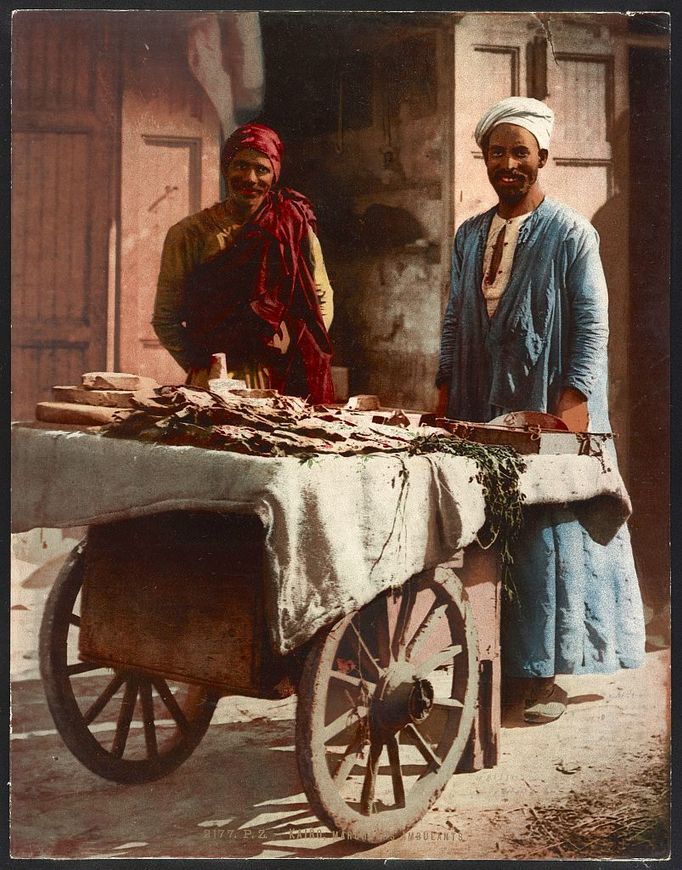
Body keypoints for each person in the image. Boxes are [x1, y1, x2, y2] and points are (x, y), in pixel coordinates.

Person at [436, 97, 646, 723]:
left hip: (548, 399)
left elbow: (589, 322)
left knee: (548, 533)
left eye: (519, 153)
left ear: (542, 159)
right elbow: (454, 318)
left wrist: (574, 401)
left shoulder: (573, 232)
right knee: (489, 528)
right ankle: (494, 666)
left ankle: (545, 675)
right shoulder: (470, 234)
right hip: (481, 396)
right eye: (497, 153)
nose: (507, 165)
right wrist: (446, 389)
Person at [153, 122, 335, 404]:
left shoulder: (293, 226)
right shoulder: (189, 234)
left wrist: (299, 350)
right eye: (240, 166)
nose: (250, 178)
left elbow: (321, 298)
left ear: (274, 175)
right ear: (226, 168)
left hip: (281, 383)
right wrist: (201, 365)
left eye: (261, 169)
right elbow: (165, 318)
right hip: (213, 385)